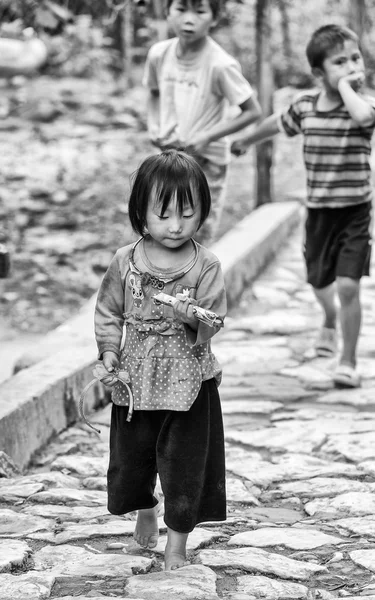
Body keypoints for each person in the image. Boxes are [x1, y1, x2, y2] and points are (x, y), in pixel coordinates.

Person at [94, 149, 227, 570]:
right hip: (136, 382)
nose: (175, 226)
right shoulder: (125, 261)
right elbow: (108, 312)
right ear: (141, 212)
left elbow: (214, 319)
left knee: (185, 468)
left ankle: (177, 545)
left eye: (187, 214)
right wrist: (110, 352)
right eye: (163, 214)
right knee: (130, 465)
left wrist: (194, 320)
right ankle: (145, 506)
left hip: (190, 387)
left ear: (203, 210)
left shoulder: (206, 265)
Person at [232, 24, 375, 389]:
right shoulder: (306, 107)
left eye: (355, 58)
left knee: (348, 286)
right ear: (318, 73)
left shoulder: (363, 105)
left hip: (355, 212)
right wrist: (246, 139)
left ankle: (348, 361)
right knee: (319, 283)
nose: (351, 67)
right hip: (319, 213)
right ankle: (328, 320)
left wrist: (345, 86)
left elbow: (364, 119)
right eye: (339, 62)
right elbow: (277, 124)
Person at [143, 0, 261, 246]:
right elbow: (154, 92)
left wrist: (206, 137)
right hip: (169, 156)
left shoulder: (220, 64)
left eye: (199, 11)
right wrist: (154, 126)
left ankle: (196, 285)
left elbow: (252, 111)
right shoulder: (158, 54)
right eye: (181, 9)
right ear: (168, 12)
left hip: (206, 163)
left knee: (196, 238)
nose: (189, 19)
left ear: (214, 18)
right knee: (163, 231)